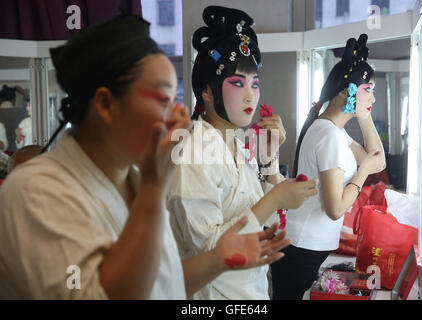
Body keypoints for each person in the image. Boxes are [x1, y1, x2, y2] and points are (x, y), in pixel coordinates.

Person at [0, 15, 290, 300]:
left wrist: (217, 259)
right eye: (163, 100)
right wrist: (153, 188)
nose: (178, 115)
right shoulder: (37, 190)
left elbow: (164, 283)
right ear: (105, 104)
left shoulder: (134, 179)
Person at [166, 6, 318, 300]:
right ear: (207, 92)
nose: (250, 94)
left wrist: (270, 160)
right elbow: (208, 251)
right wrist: (275, 197)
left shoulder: (236, 143)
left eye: (255, 83)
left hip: (251, 289)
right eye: (237, 83)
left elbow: (267, 224)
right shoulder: (194, 151)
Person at [271, 34, 386, 300]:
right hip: (302, 247)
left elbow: (377, 160)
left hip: (305, 245)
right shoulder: (329, 135)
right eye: (368, 90)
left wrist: (364, 115)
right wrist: (362, 173)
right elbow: (335, 209)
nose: (373, 98)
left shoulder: (333, 130)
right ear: (347, 92)